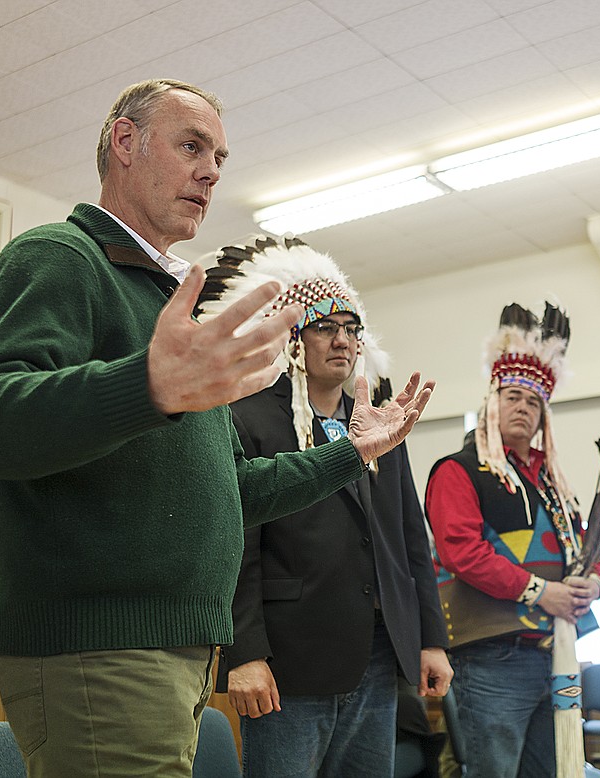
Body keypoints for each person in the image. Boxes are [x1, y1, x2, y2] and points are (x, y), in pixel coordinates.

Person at [0, 79, 433, 778]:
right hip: (101, 649)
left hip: (175, 652)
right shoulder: (59, 257)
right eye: (191, 146)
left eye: (220, 157)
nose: (211, 170)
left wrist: (348, 455)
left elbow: (230, 490)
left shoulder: (170, 311)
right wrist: (147, 387)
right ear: (124, 142)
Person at [203, 236, 451, 777]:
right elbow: (236, 544)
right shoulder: (249, 418)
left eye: (352, 329)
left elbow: (411, 538)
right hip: (292, 658)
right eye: (325, 327)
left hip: (378, 650)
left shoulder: (383, 424)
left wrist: (431, 638)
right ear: (294, 338)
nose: (343, 340)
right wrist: (244, 652)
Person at [425, 302, 600, 778]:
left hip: (555, 651)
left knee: (552, 770)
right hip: (491, 655)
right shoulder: (458, 471)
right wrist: (545, 592)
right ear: (491, 401)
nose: (522, 407)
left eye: (533, 401)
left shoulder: (553, 480)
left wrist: (593, 584)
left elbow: (585, 547)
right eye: (512, 397)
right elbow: (462, 552)